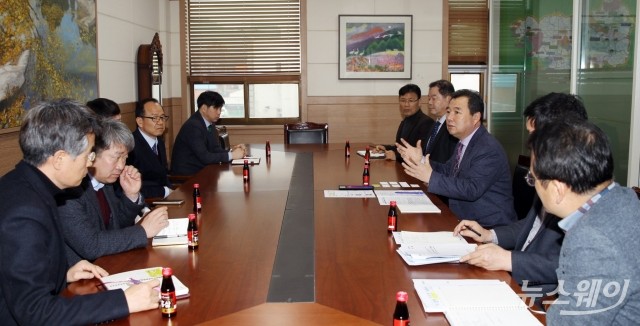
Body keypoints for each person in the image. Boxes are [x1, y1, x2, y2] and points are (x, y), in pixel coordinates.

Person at [0, 99, 158, 325]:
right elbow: (34, 312)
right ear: (60, 159)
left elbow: (16, 277)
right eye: (88, 156)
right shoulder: (24, 213)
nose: (90, 165)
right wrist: (123, 301)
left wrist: (62, 275)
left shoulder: (22, 184)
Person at [453, 92, 588, 299]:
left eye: (534, 136)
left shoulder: (583, 187)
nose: (530, 144)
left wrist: (510, 260)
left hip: (545, 296)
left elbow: (572, 265)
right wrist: (491, 235)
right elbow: (532, 226)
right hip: (515, 278)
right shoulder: (551, 173)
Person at [528, 119, 640, 324]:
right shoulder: (623, 196)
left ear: (558, 189)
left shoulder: (591, 239)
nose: (533, 185)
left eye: (532, 179)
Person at [59, 118, 170, 264]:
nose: (121, 166)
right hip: (81, 276)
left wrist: (131, 195)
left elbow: (116, 226)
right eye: (116, 157)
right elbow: (91, 245)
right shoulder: (70, 190)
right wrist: (143, 231)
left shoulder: (105, 182)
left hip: (108, 262)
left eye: (125, 159)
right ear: (92, 154)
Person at [401, 89, 516, 228]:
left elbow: (471, 189)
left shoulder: (488, 149)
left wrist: (430, 177)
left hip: (487, 227)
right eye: (448, 111)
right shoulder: (463, 141)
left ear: (476, 117)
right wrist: (421, 160)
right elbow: (448, 170)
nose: (449, 118)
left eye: (457, 112)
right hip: (462, 219)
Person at [171, 90, 246, 175]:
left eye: (220, 108)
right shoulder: (193, 126)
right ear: (204, 108)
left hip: (201, 170)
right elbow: (205, 157)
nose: (219, 112)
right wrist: (232, 155)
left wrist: (233, 152)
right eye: (216, 108)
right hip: (187, 174)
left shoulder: (210, 123)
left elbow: (215, 149)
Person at [374, 83, 434, 163]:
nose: (406, 105)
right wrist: (385, 148)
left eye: (411, 101)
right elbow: (399, 147)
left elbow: (420, 153)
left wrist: (396, 155)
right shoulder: (405, 121)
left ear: (419, 102)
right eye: (403, 100)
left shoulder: (426, 122)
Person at [127, 98, 172, 198]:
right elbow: (131, 187)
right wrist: (166, 192)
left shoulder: (159, 140)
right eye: (154, 118)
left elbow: (162, 175)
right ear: (140, 121)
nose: (160, 122)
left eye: (162, 117)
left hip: (164, 197)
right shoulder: (131, 145)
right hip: (147, 202)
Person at [423, 79, 458, 163]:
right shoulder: (435, 124)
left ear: (448, 99)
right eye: (429, 98)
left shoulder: (453, 126)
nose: (430, 102)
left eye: (434, 98)